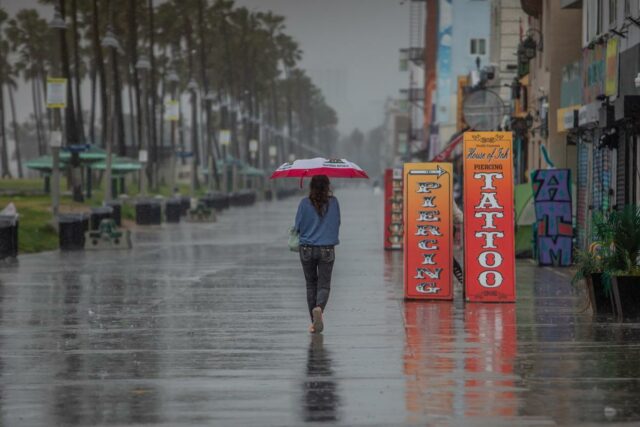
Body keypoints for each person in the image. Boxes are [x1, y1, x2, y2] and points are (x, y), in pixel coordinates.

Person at [294, 175, 341, 334]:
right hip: (326, 248)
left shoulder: (304, 203)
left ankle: (314, 323)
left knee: (310, 284)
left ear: (311, 186)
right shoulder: (334, 203)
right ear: (328, 186)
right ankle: (319, 308)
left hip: (307, 249)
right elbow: (338, 222)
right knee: (324, 284)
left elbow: (297, 226)